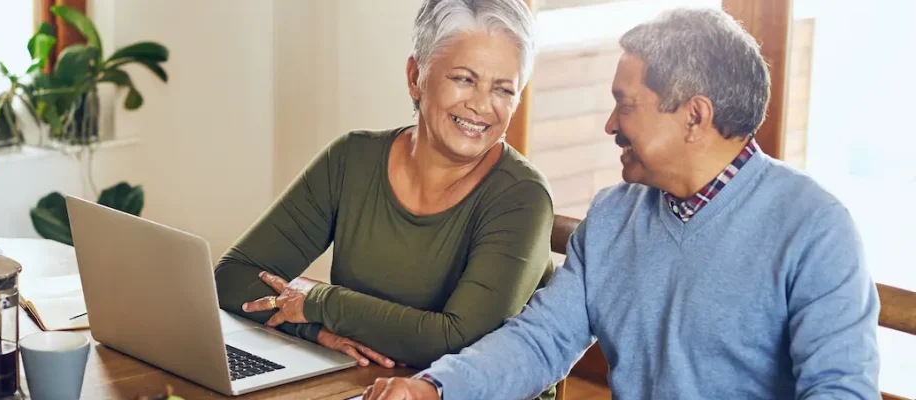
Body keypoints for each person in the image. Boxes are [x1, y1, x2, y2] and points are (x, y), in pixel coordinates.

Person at [363, 7, 881, 400]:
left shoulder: (815, 229)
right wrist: (432, 388)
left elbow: (840, 391)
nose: (611, 125)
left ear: (695, 117)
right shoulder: (614, 215)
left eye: (626, 105)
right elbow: (540, 341)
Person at [214, 1, 558, 397]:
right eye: (464, 79)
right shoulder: (351, 159)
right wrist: (312, 328)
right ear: (416, 76)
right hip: (363, 386)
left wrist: (320, 301)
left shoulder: (523, 197)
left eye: (503, 89)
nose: (482, 106)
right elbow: (235, 275)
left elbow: (460, 342)